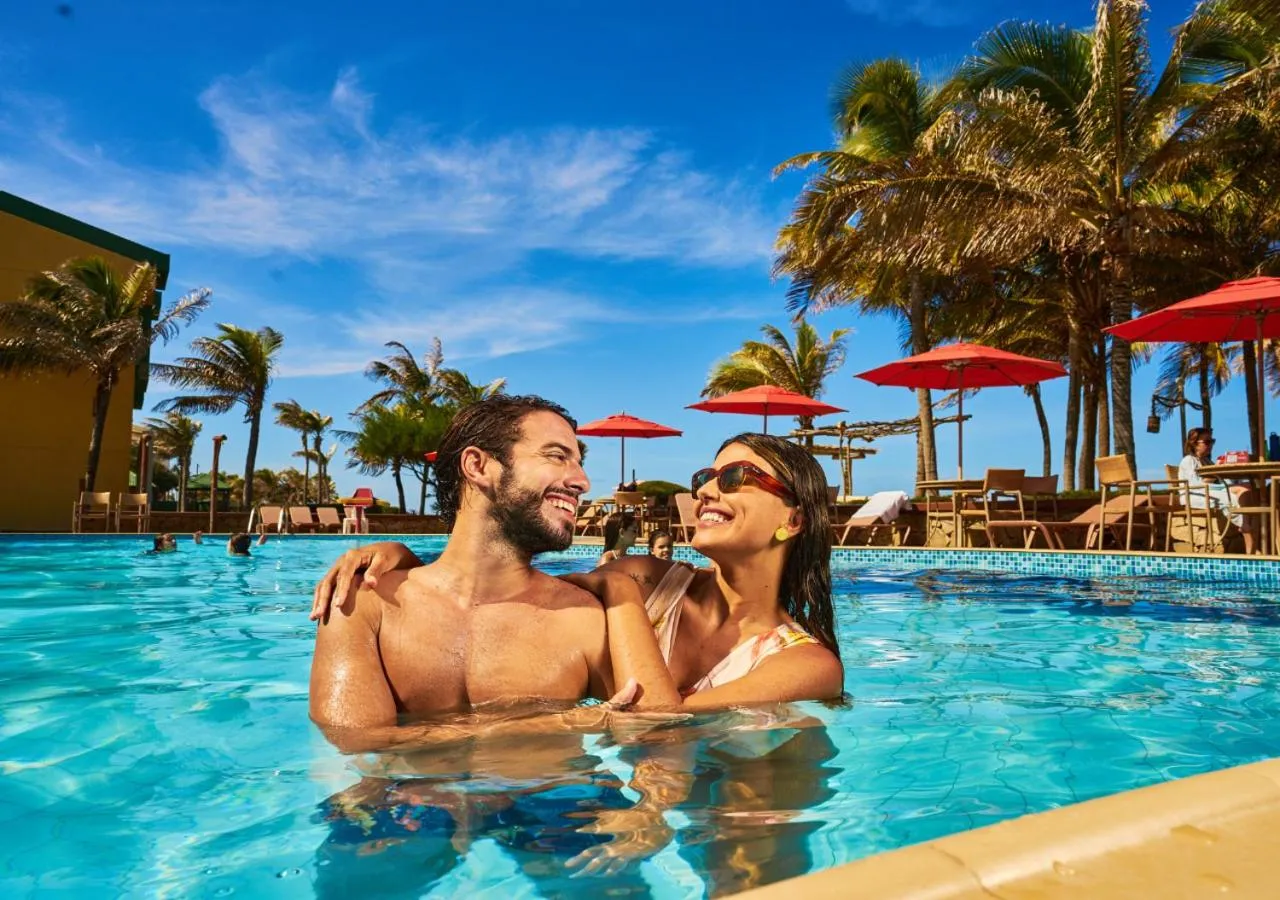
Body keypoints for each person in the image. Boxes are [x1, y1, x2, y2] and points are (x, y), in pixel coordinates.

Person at [312, 432, 844, 712]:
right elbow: (505, 585)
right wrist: (404, 558)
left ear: (793, 520)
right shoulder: (650, 578)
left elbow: (665, 723)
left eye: (735, 477)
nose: (705, 489)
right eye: (707, 475)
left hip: (744, 822)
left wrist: (617, 591)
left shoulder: (809, 667)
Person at [308, 394, 615, 750]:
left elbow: (660, 728)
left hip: (557, 803)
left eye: (578, 462)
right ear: (478, 466)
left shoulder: (585, 617)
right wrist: (551, 724)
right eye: (557, 456)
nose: (582, 482)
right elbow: (352, 741)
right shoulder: (362, 603)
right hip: (405, 806)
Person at [1178, 427, 1258, 554]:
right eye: (1207, 442)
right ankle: (1246, 529)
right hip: (1194, 494)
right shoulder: (1188, 461)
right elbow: (1196, 484)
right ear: (1194, 443)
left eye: (1212, 441)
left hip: (1209, 491)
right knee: (1230, 497)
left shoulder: (1207, 461)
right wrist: (1216, 472)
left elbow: (1216, 481)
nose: (1211, 445)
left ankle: (1246, 525)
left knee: (1243, 487)